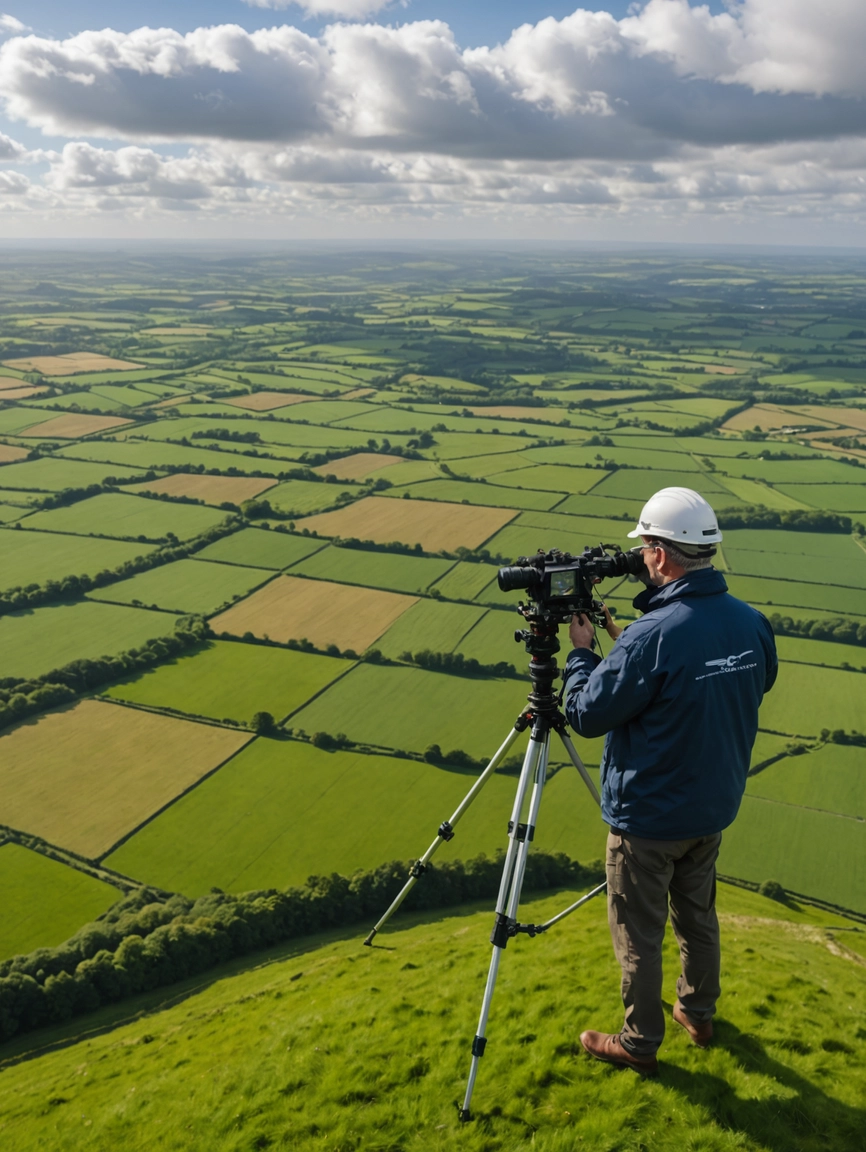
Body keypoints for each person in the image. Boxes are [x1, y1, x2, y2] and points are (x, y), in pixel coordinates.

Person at [563, 487, 778, 1076]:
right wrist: (622, 646)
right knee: (698, 917)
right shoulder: (750, 623)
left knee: (639, 934)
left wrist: (583, 653)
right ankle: (699, 1014)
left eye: (646, 547)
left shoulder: (650, 636)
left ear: (658, 553)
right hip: (711, 807)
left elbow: (584, 714)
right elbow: (726, 685)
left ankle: (638, 1043)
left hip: (650, 819)